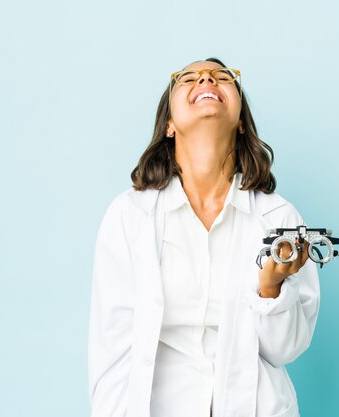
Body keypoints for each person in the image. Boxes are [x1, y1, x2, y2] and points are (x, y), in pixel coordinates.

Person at [88, 57, 320, 417]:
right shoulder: (129, 216)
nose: (207, 79)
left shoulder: (278, 219)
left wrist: (271, 287)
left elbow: (286, 348)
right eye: (189, 79)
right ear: (169, 124)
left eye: (222, 77)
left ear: (241, 121)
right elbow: (112, 350)